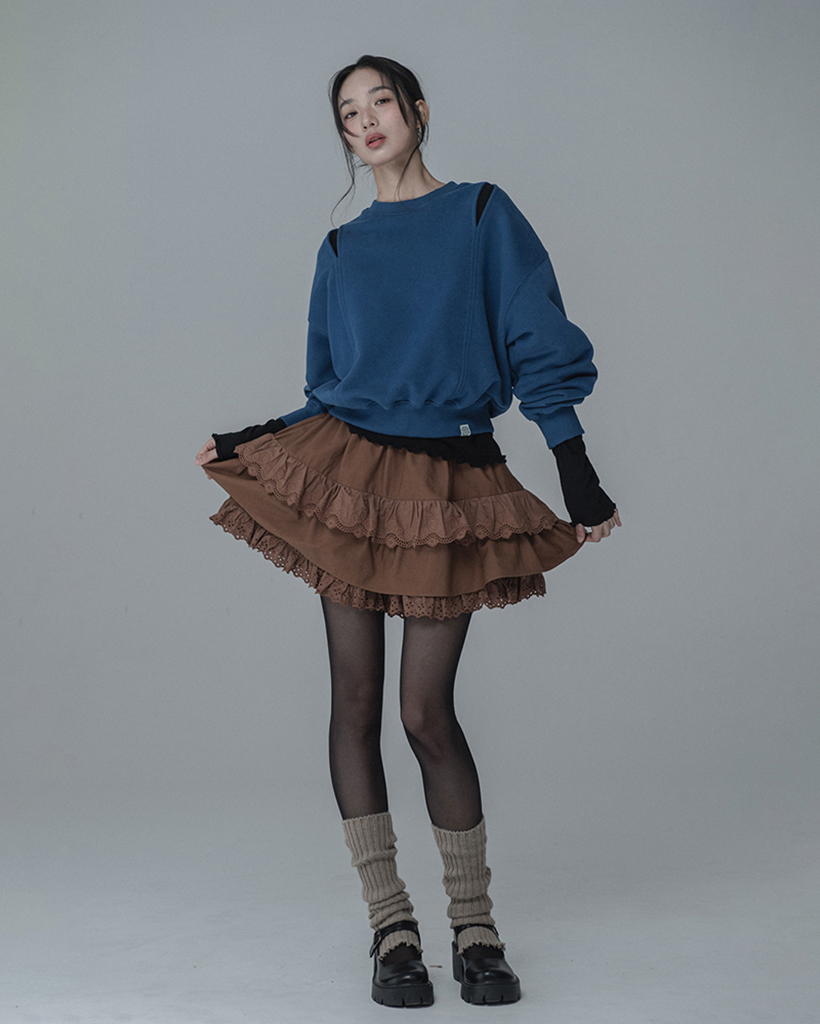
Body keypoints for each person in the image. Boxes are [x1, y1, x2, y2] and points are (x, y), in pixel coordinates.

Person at [196, 55, 620, 1008]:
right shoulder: (341, 249)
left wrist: (575, 469)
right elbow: (330, 387)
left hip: (449, 479)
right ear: (345, 137)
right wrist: (256, 437)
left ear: (419, 109)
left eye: (380, 100)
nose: (367, 121)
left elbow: (536, 338)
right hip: (350, 476)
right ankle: (391, 929)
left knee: (425, 713)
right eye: (349, 113)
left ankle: (476, 928)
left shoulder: (482, 214)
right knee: (354, 704)